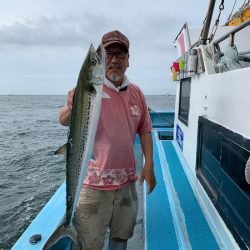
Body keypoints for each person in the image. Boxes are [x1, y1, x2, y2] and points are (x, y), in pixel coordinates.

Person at [59, 30, 156, 250]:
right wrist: (71, 107)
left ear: (128, 60)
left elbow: (146, 129)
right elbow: (64, 120)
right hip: (93, 185)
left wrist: (148, 164)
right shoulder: (87, 89)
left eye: (120, 55)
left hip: (127, 183)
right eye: (108, 54)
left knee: (121, 238)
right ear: (101, 60)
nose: (114, 60)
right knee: (89, 244)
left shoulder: (137, 94)